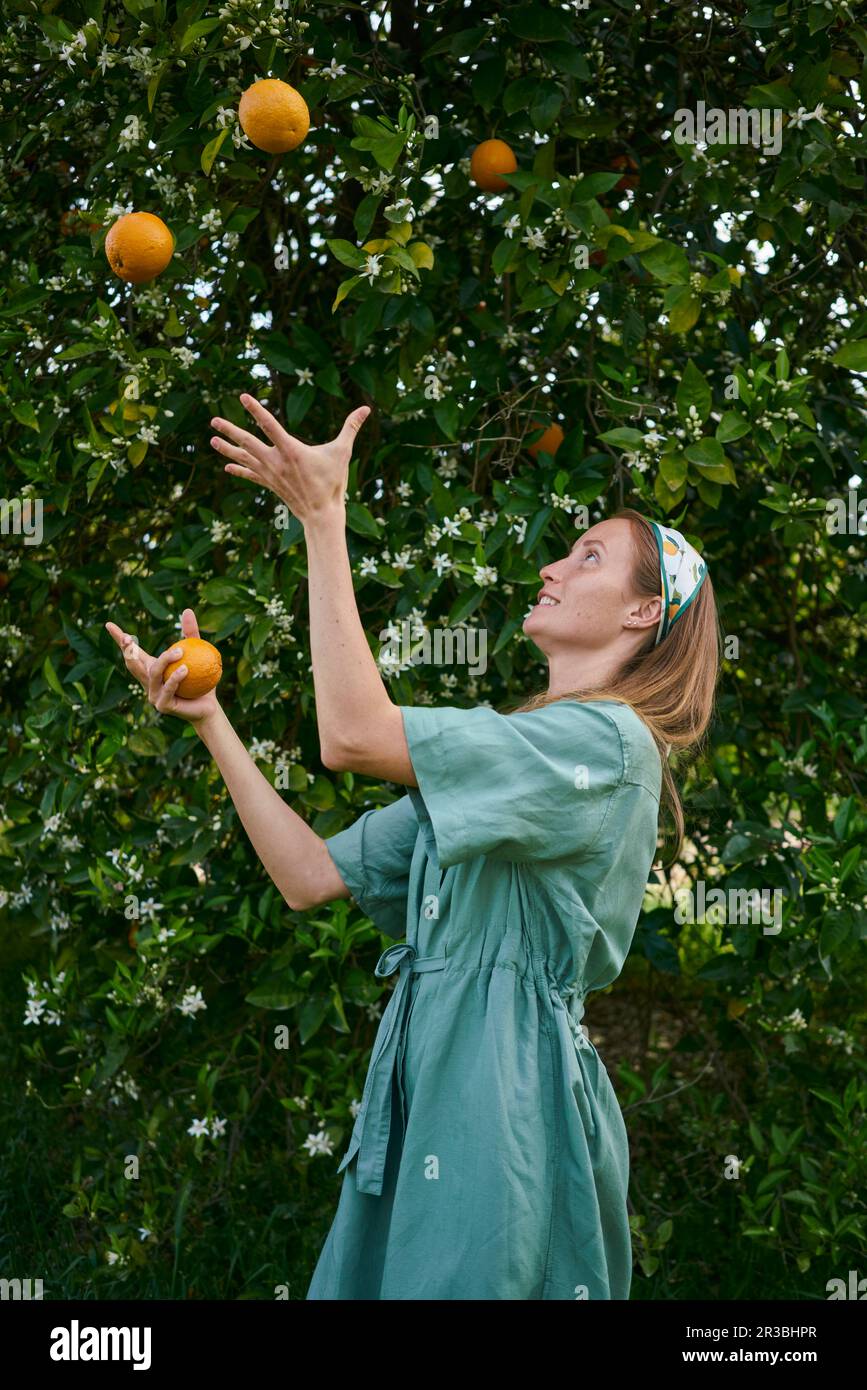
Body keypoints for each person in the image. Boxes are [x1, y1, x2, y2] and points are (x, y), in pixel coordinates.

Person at [106, 394, 720, 1300]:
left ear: (641, 614)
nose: (552, 566)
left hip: (501, 1094)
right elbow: (308, 876)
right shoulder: (511, 762)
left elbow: (352, 736)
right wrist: (209, 721)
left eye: (589, 556)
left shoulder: (605, 746)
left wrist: (324, 517)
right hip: (428, 1081)